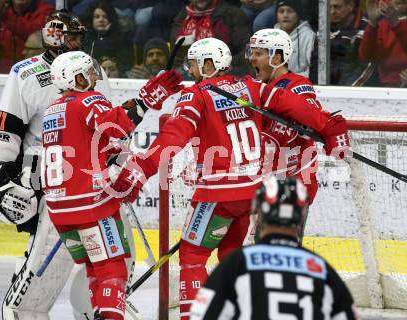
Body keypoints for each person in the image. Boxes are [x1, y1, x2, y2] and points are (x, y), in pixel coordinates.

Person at [113, 37, 350, 319]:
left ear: (209, 64)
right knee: (232, 254)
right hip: (252, 192)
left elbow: (172, 138)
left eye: (194, 64)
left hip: (217, 195)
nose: (191, 70)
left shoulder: (196, 95)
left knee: (192, 257)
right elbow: (297, 108)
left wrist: (140, 168)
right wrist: (332, 128)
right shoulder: (252, 87)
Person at [0, 9, 183, 319]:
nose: (79, 42)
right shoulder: (27, 74)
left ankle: (101, 306)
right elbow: (109, 123)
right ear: (54, 35)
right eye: (72, 35)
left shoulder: (71, 91)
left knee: (109, 258)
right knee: (107, 260)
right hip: (77, 190)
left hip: (69, 188)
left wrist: (117, 159)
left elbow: (102, 129)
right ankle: (38, 308)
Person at [42, 50, 182, 320]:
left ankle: (101, 312)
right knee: (113, 269)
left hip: (59, 211)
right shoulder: (89, 100)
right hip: (89, 205)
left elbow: (87, 146)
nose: (95, 75)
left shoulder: (52, 110)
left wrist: (110, 155)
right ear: (77, 78)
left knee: (95, 267)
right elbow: (117, 127)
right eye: (89, 72)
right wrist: (145, 100)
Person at [189, 176, 359, 320]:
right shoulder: (320, 268)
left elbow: (200, 314)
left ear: (258, 214)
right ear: (301, 217)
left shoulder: (237, 262)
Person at [247, 28, 322, 205]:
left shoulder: (298, 84)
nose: (252, 58)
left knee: (278, 234)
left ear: (277, 58)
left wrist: (305, 125)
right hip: (261, 180)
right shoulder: (253, 86)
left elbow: (312, 117)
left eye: (258, 53)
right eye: (252, 53)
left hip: (292, 182)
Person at [171, 0, 251, 75]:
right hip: (191, 74)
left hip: (228, 72)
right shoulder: (181, 19)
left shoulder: (233, 14)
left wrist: (225, 65)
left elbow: (248, 50)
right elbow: (175, 58)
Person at [0, 0, 53, 73]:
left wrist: (5, 16)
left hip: (32, 73)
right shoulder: (3, 10)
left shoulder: (46, 10)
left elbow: (35, 35)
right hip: (3, 76)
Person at [310, 0, 375, 85]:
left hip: (350, 93)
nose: (332, 12)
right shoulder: (322, 28)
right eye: (329, 8)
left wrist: (341, 93)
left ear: (350, 6)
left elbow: (361, 69)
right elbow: (315, 66)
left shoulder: (367, 30)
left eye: (337, 7)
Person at [359, 0, 407, 87]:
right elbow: (366, 56)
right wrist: (372, 23)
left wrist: (396, 25)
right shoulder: (382, 25)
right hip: (386, 90)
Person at [83, 0, 133, 74]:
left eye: (105, 17)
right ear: (91, 20)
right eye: (97, 17)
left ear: (111, 19)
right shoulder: (85, 38)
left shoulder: (121, 39)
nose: (101, 20)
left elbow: (125, 66)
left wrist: (105, 36)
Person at [274, 0, 316, 77]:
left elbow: (313, 71)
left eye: (290, 11)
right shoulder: (271, 36)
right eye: (281, 11)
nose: (285, 15)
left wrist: (289, 78)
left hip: (300, 84)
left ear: (298, 14)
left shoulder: (309, 36)